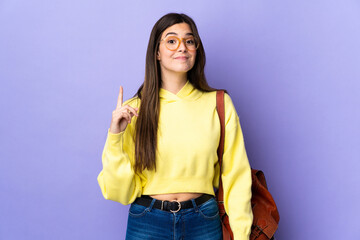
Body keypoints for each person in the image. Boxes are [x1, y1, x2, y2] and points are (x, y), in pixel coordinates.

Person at [97, 13, 253, 240]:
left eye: (189, 41)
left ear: (196, 50)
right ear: (157, 53)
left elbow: (236, 176)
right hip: (147, 222)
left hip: (204, 221)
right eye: (171, 41)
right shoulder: (133, 110)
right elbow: (118, 192)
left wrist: (241, 235)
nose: (182, 47)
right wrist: (115, 136)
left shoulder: (218, 103)